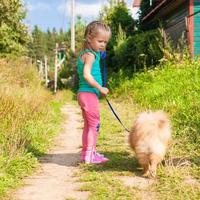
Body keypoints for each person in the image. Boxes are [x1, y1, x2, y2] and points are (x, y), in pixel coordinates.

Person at [77, 21, 111, 164]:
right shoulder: (90, 55)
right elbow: (86, 74)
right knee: (94, 125)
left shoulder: (87, 53)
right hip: (89, 94)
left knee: (88, 125)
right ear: (89, 38)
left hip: (83, 94)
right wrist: (100, 87)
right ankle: (91, 156)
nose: (103, 44)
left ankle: (87, 153)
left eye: (105, 42)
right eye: (100, 41)